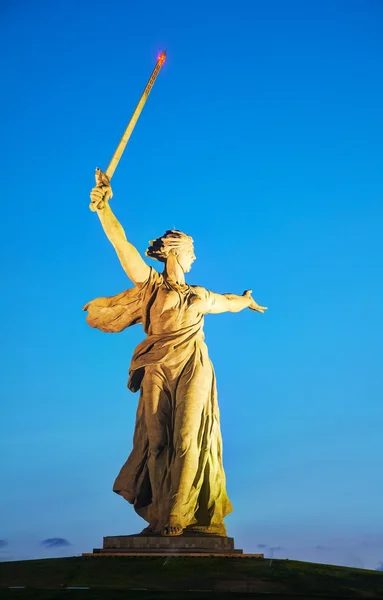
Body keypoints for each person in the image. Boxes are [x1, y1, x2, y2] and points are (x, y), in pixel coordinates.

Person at [84, 174, 267, 537]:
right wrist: (105, 208)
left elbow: (227, 302)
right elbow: (124, 249)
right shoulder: (150, 285)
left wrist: (245, 301)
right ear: (175, 251)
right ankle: (158, 512)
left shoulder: (198, 294)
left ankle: (177, 516)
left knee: (186, 438)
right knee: (157, 441)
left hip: (192, 365)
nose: (195, 256)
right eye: (191, 250)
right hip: (157, 364)